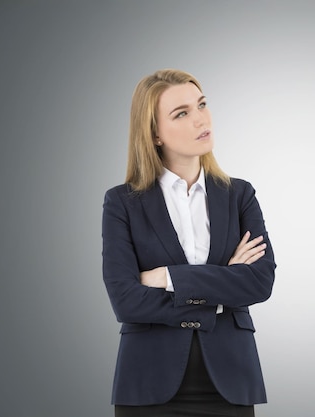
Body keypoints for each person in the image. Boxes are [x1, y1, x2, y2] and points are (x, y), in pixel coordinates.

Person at [102, 68, 276, 417]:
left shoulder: (239, 195)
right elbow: (125, 301)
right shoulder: (123, 201)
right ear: (154, 134)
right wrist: (221, 291)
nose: (200, 119)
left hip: (230, 384)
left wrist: (167, 278)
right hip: (148, 384)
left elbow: (259, 281)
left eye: (201, 105)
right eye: (182, 113)